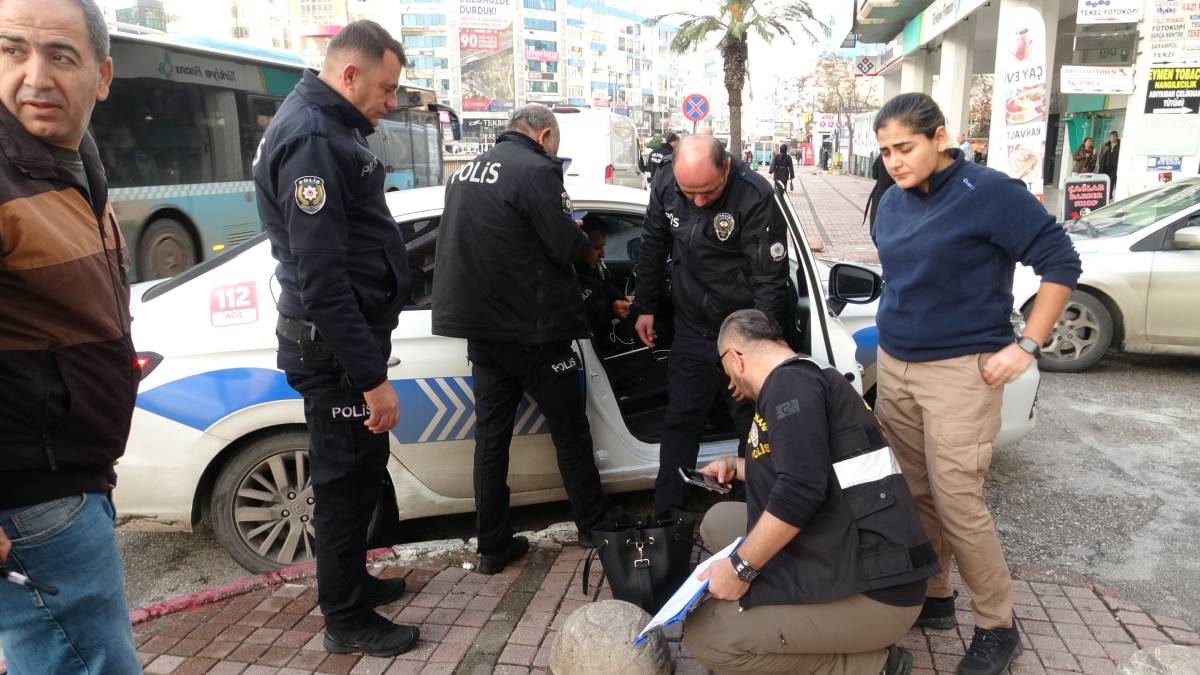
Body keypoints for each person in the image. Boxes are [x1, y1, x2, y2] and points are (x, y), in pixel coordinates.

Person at [871, 93, 1081, 675]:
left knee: (959, 500)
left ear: (940, 137)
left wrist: (1026, 346)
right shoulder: (890, 199)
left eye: (905, 147)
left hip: (962, 372)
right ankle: (935, 596)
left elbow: (1061, 263)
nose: (893, 160)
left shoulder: (987, 192)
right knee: (912, 491)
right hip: (895, 365)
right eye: (885, 149)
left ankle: (998, 625)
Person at [254, 21, 418, 657]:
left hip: (341, 344)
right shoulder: (316, 139)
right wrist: (372, 379)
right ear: (349, 75)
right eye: (385, 88)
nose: (390, 101)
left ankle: (351, 583)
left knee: (360, 472)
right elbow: (323, 281)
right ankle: (345, 620)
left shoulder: (330, 127)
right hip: (335, 351)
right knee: (345, 482)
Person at [0, 0, 143, 671]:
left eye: (60, 55)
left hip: (69, 479)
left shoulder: (71, 159)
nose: (35, 76)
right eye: (11, 50)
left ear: (102, 74)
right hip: (31, 498)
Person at [682, 309, 938, 675]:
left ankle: (875, 665)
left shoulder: (788, 387)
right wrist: (736, 467)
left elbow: (800, 489)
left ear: (735, 358)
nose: (731, 384)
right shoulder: (802, 378)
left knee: (707, 636)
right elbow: (803, 464)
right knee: (720, 520)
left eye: (727, 371)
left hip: (881, 591)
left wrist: (741, 569)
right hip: (850, 539)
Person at [432, 104, 607, 572]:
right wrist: (579, 236)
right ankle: (593, 526)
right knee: (570, 433)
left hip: (482, 334)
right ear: (545, 134)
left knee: (491, 441)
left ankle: (492, 546)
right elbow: (567, 247)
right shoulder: (536, 170)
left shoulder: (465, 173)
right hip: (536, 331)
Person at [635, 134, 790, 515]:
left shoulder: (754, 195)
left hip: (739, 334)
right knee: (680, 420)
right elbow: (653, 244)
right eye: (690, 193)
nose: (698, 201)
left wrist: (752, 356)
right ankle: (668, 516)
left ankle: (749, 512)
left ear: (726, 167)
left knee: (750, 426)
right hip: (691, 325)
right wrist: (646, 305)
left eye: (707, 192)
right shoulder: (666, 182)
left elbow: (770, 283)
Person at [575, 215, 638, 353]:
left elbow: (606, 284)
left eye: (603, 247)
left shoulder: (594, 265)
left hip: (610, 332)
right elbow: (584, 319)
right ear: (580, 246)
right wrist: (612, 311)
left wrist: (623, 297)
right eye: (597, 248)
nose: (603, 254)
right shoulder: (571, 277)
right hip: (594, 347)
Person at [864, 154, 896, 239]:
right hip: (895, 191)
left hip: (880, 192)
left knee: (877, 219)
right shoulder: (899, 158)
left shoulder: (880, 157)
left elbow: (874, 175)